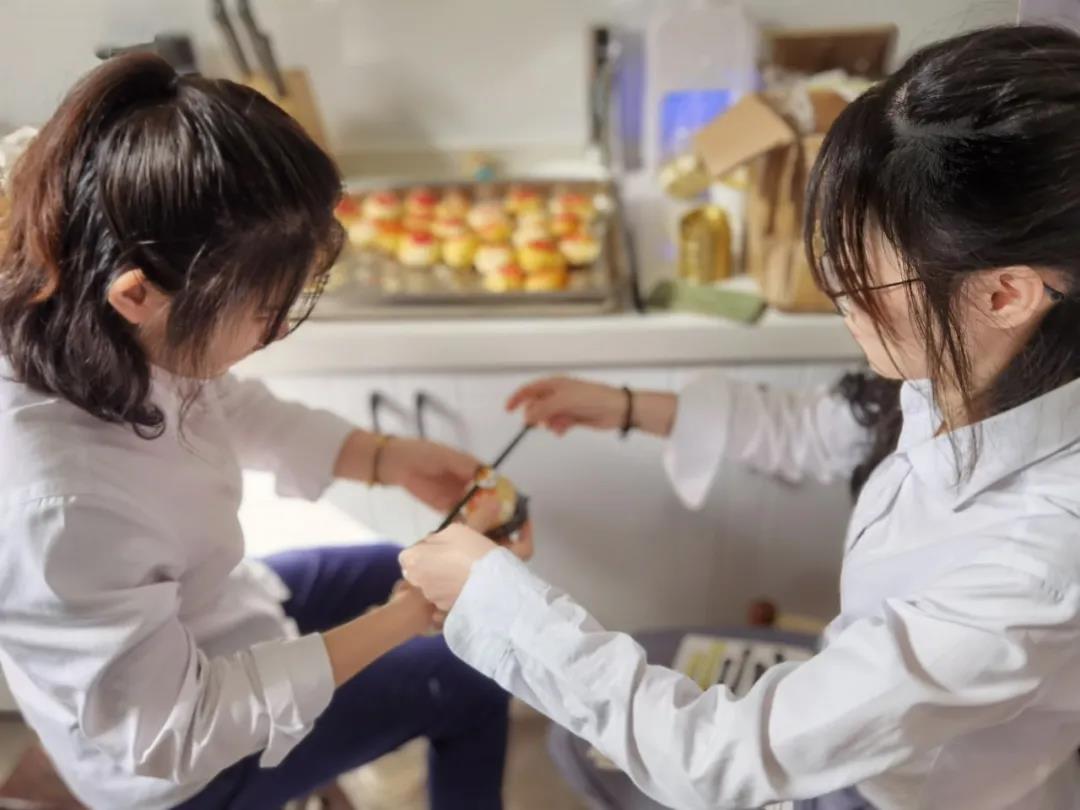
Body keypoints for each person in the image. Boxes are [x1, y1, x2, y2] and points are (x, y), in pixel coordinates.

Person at [401, 24, 1080, 810]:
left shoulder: (1040, 562)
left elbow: (719, 758)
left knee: (596, 746)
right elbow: (826, 428)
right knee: (586, 738)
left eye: (862, 273)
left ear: (1004, 294)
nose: (837, 293)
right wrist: (626, 408)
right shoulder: (984, 368)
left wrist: (493, 599)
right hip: (853, 722)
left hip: (888, 792)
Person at [0, 53, 518, 810]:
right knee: (470, 680)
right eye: (265, 312)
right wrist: (404, 619)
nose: (275, 331)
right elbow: (178, 729)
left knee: (402, 563)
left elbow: (220, 401)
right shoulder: (55, 508)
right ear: (137, 295)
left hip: (223, 609)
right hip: (183, 766)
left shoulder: (92, 305)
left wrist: (383, 457)